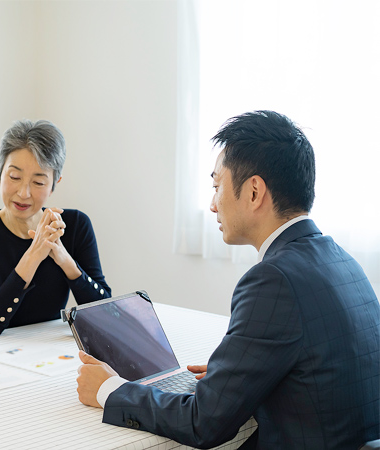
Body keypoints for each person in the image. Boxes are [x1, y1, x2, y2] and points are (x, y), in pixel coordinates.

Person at [76, 111, 380, 449]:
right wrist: (239, 376)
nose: (212, 205)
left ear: (253, 192)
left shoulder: (273, 280)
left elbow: (204, 423)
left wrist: (110, 389)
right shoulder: (342, 261)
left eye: (216, 186)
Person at [0, 119, 111, 336]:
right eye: (15, 177)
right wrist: (34, 255)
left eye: (38, 182)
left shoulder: (75, 225)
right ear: (0, 173)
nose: (23, 193)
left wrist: (65, 260)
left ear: (55, 183)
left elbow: (104, 313)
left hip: (41, 349)